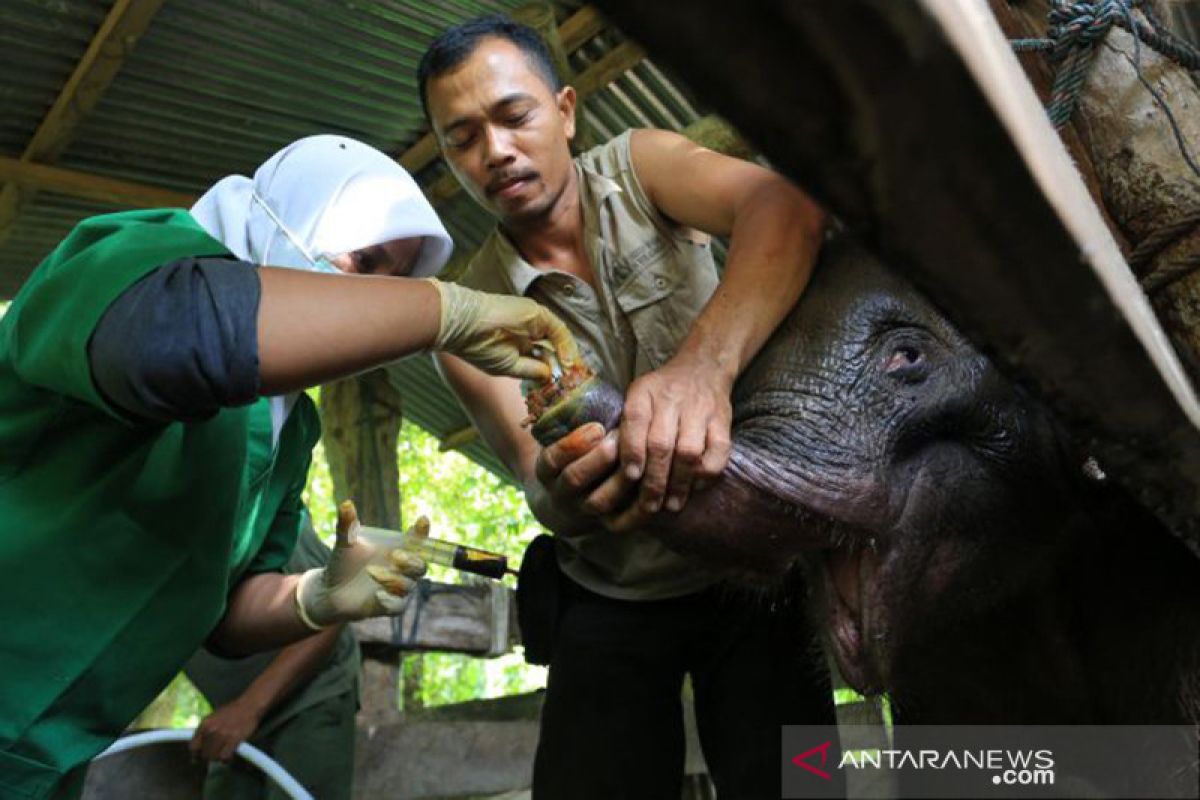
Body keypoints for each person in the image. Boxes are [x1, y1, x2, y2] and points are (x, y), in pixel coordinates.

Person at [0, 134, 577, 800]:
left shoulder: (289, 429)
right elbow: (167, 341)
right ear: (288, 221)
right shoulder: (143, 255)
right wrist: (444, 310)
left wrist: (314, 598)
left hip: (52, 756)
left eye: (394, 282)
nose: (373, 301)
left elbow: (228, 617)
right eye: (365, 262)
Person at [419, 17, 840, 799]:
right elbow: (536, 483)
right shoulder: (463, 318)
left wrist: (701, 369)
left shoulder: (642, 168)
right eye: (465, 137)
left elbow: (786, 213)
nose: (497, 151)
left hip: (752, 569)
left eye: (516, 116)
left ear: (567, 110)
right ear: (447, 157)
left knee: (799, 787)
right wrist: (569, 490)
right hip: (611, 595)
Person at [184, 522, 360, 800]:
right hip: (232, 710)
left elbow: (335, 603)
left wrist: (248, 707)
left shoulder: (261, 512)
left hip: (309, 697)